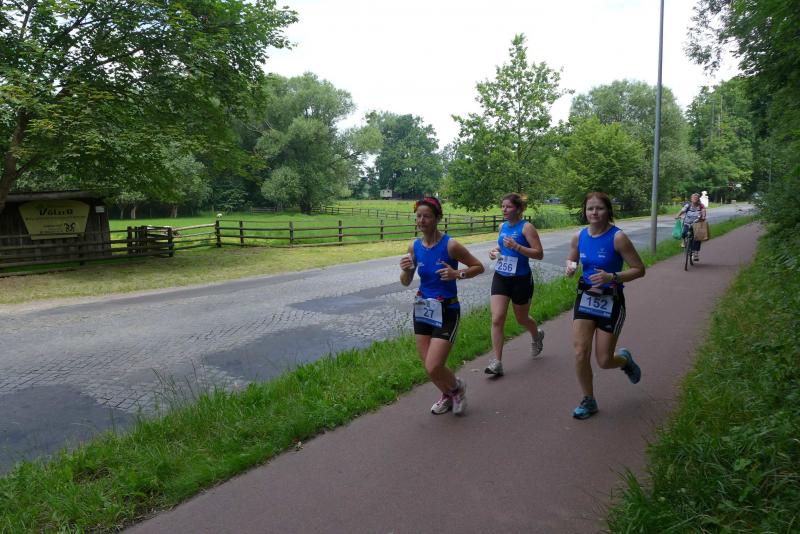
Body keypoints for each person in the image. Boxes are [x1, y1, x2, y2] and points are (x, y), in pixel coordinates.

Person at [400, 197, 485, 415]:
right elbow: (405, 281)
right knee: (428, 366)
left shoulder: (451, 245)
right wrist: (406, 269)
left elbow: (478, 266)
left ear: (438, 218)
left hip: (447, 309)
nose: (421, 220)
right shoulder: (414, 246)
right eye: (418, 216)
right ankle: (447, 395)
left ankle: (457, 388)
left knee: (434, 365)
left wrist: (457, 274)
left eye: (427, 216)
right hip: (423, 308)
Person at [565, 192, 646, 420]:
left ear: (608, 211)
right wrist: (570, 267)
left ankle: (624, 360)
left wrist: (612, 277)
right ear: (585, 211)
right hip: (585, 298)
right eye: (590, 208)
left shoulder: (618, 238)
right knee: (580, 352)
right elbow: (572, 258)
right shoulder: (579, 236)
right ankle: (588, 400)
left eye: (599, 208)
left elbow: (639, 269)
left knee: (604, 360)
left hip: (611, 301)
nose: (594, 212)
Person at [484, 193, 545, 377]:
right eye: (502, 206)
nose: (504, 209)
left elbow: (539, 253)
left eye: (508, 206)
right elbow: (502, 247)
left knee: (522, 319)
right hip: (501, 276)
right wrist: (494, 252)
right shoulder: (502, 226)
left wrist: (517, 247)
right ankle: (497, 362)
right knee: (497, 318)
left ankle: (536, 335)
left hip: (521, 279)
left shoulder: (526, 227)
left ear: (518, 209)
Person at [676, 193, 707, 262]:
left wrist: (703, 217)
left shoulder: (701, 206)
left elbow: (703, 212)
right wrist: (678, 215)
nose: (695, 199)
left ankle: (695, 253)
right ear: (691, 199)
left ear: (698, 199)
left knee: (698, 238)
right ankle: (684, 242)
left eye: (696, 198)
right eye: (693, 198)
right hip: (687, 223)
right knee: (684, 233)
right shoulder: (688, 205)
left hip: (697, 224)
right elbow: (683, 210)